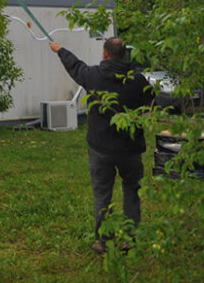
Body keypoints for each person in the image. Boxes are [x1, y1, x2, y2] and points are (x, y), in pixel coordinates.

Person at [49, 37, 152, 254]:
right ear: (124, 55)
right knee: (132, 191)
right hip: (131, 149)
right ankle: (130, 240)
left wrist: (60, 49)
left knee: (102, 194)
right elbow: (152, 102)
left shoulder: (93, 76)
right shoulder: (138, 79)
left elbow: (75, 66)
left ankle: (103, 242)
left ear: (105, 54)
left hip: (100, 148)